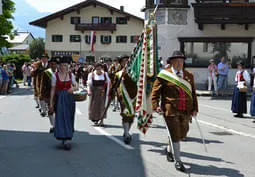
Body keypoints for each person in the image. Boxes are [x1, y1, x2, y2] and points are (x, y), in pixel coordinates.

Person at [151, 50, 198, 172]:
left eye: (181, 61)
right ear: (171, 62)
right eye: (176, 61)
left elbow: (193, 93)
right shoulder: (164, 75)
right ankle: (178, 161)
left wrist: (195, 108)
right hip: (171, 110)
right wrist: (156, 106)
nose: (179, 63)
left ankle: (168, 149)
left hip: (186, 111)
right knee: (176, 134)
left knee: (182, 133)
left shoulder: (189, 75)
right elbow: (155, 92)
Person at [49, 56, 78, 150]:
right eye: (61, 65)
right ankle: (63, 139)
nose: (62, 67)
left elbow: (76, 85)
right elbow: (53, 90)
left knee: (69, 117)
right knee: (61, 118)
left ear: (67, 66)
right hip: (60, 99)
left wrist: (73, 88)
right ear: (59, 66)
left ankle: (68, 137)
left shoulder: (71, 75)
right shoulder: (55, 76)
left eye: (65, 65)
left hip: (70, 99)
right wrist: (51, 103)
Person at [112, 55, 137, 144]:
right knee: (125, 114)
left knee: (132, 116)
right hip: (123, 96)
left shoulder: (135, 71)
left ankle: (126, 131)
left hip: (134, 95)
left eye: (127, 61)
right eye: (124, 61)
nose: (126, 62)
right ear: (121, 63)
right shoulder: (118, 73)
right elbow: (114, 84)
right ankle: (126, 134)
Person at [40, 57, 58, 133]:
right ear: (50, 65)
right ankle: (53, 126)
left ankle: (58, 125)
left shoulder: (60, 72)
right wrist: (43, 95)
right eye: (52, 64)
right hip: (49, 94)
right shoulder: (46, 72)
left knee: (58, 111)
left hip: (59, 94)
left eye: (55, 64)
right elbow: (43, 84)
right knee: (50, 111)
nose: (53, 65)